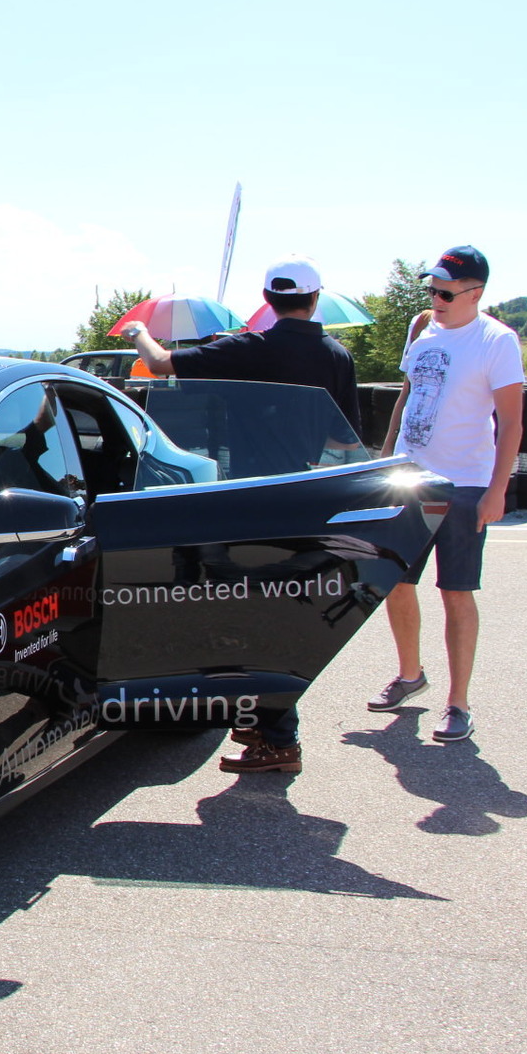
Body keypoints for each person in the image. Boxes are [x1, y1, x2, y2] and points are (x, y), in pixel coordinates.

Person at [123, 254, 362, 774]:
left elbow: (160, 364)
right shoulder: (337, 356)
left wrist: (140, 330)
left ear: (269, 301)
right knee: (278, 612)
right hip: (304, 497)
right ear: (315, 299)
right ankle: (259, 723)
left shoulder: (249, 347)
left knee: (243, 612)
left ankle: (278, 739)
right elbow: (345, 438)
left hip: (246, 500)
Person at [369, 245, 524, 744]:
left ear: (474, 293)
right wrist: (385, 460)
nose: (435, 298)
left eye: (446, 291)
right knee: (396, 580)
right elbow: (406, 397)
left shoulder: (496, 340)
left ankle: (459, 703)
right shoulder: (421, 329)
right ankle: (410, 675)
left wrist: (497, 490)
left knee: (456, 592)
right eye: (432, 288)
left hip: (466, 483)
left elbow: (513, 423)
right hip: (410, 478)